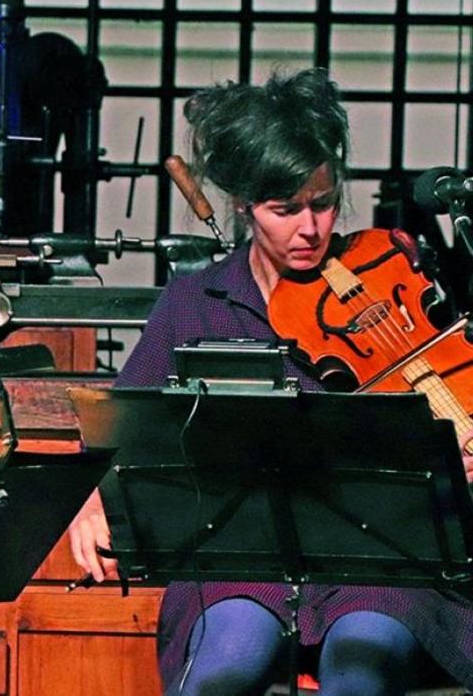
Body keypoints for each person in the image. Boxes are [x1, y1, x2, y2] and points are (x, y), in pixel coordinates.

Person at [67, 68, 473, 695]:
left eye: (324, 203)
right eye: (285, 210)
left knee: (360, 667)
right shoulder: (195, 302)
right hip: (244, 561)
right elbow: (120, 425)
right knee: (223, 667)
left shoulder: (382, 285)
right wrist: (90, 498)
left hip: (383, 563)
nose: (311, 229)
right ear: (243, 204)